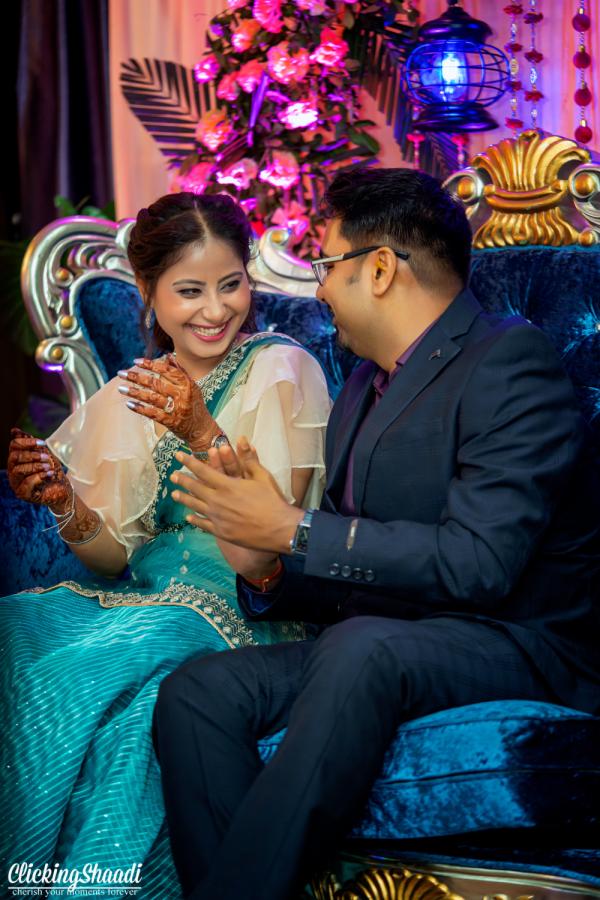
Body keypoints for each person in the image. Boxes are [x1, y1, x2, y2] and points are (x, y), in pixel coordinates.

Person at [152, 168, 600, 900]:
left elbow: (481, 564)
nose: (320, 289)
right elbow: (347, 560)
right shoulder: (363, 381)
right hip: (384, 642)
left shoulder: (510, 361)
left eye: (328, 265)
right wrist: (266, 562)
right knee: (198, 691)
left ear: (382, 268)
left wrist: (295, 527)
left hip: (518, 642)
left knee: (361, 646)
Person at [0, 192, 331, 898]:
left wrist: (202, 430)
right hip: (143, 602)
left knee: (90, 671)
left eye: (231, 284)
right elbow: (114, 559)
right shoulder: (134, 391)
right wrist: (64, 501)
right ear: (148, 292)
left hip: (243, 608)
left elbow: (273, 534)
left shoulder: (282, 368)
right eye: (189, 291)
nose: (215, 309)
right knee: (16, 634)